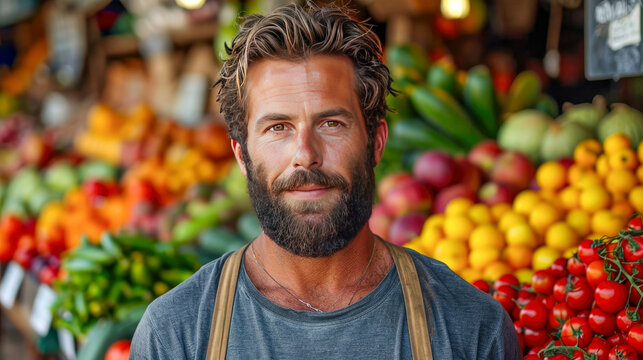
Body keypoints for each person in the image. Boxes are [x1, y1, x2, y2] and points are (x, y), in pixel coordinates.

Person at [130, 3, 521, 359]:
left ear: (376, 143)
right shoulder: (174, 336)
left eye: (331, 123)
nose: (305, 153)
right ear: (241, 156)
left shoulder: (470, 329)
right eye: (278, 128)